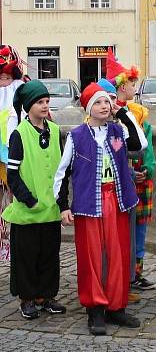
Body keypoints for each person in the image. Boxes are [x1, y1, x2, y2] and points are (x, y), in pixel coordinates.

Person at [54, 83, 146, 335]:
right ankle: (95, 308)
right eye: (98, 102)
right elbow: (62, 172)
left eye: (106, 102)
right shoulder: (76, 136)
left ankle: (116, 307)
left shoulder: (118, 132)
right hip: (88, 204)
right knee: (91, 256)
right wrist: (62, 205)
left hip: (116, 201)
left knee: (118, 254)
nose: (104, 106)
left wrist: (124, 113)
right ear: (88, 108)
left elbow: (141, 144)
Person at [2, 80, 67, 319]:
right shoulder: (19, 134)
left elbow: (62, 170)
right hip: (28, 210)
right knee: (27, 257)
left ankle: (46, 295)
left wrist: (62, 203)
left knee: (49, 255)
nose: (45, 105)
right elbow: (13, 174)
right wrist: (28, 199)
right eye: (40, 102)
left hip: (49, 209)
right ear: (29, 106)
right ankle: (27, 298)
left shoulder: (54, 131)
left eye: (47, 101)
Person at [104, 50, 146, 302]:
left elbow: (137, 144)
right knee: (111, 242)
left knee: (125, 238)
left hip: (123, 186)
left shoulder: (121, 116)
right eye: (131, 83)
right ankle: (114, 285)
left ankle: (123, 283)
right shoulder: (105, 123)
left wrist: (123, 113)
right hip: (109, 190)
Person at [0, 45, 26, 263]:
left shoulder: (21, 93)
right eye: (0, 78)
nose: (4, 83)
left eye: (7, 77)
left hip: (16, 163)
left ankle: (16, 251)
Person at [127, 100, 156, 290]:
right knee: (126, 234)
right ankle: (127, 273)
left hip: (143, 187)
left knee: (140, 232)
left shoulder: (146, 127)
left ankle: (136, 273)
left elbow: (150, 156)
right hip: (127, 189)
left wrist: (146, 170)